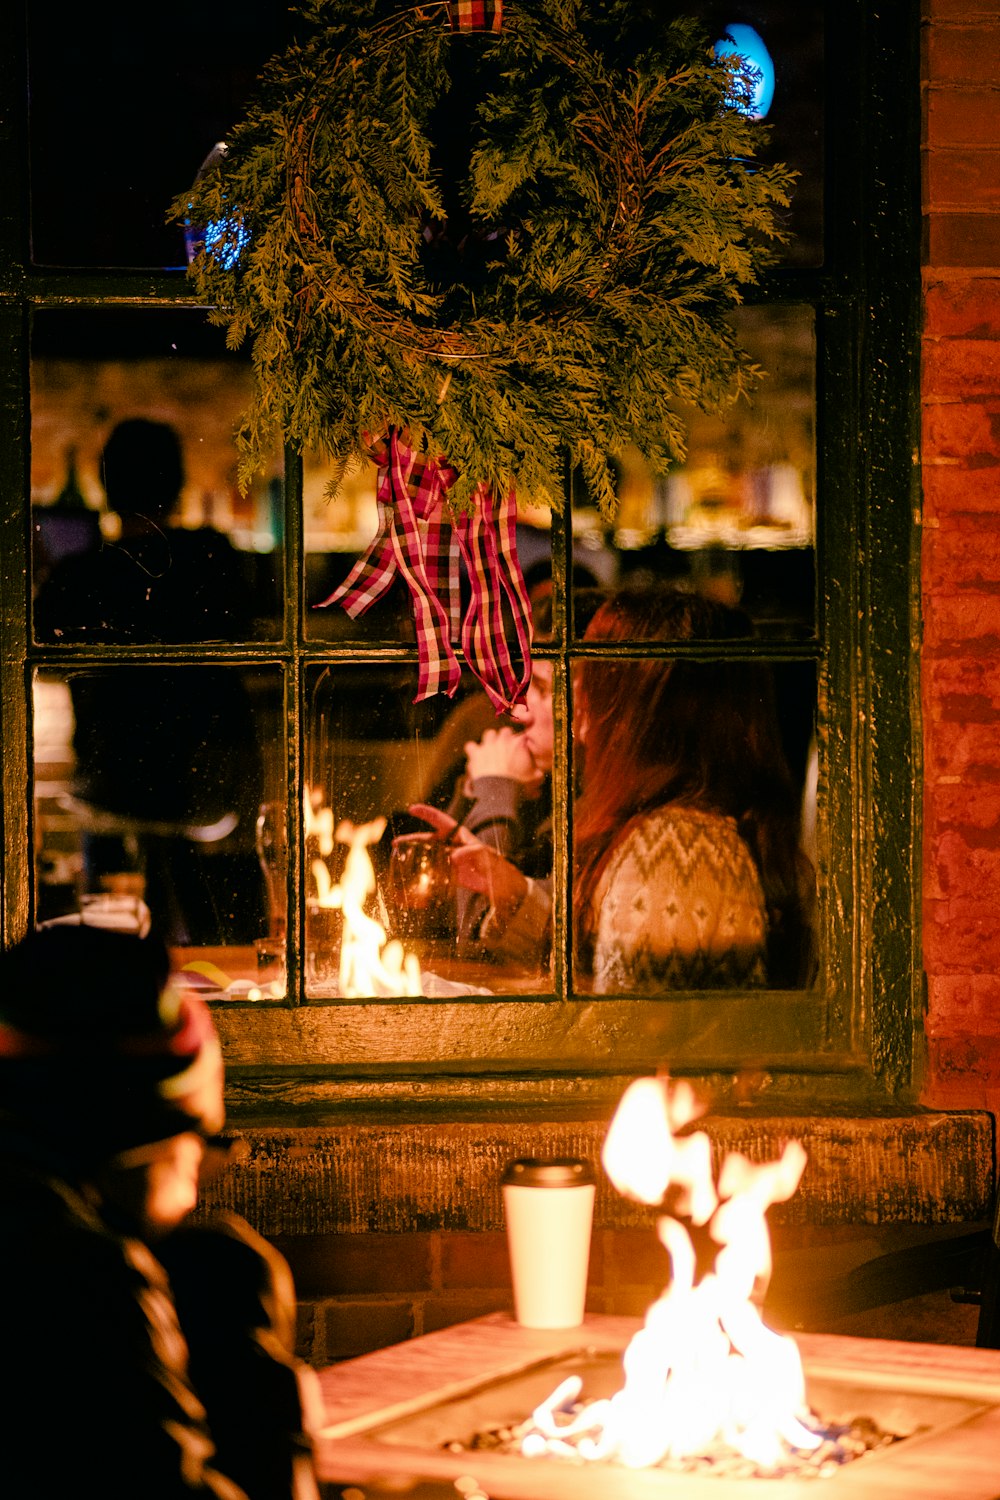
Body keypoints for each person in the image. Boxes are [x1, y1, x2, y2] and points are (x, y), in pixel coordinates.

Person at [0, 923, 322, 1499]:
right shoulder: (80, 1279)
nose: (195, 1193)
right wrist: (264, 1401)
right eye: (199, 1148)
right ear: (135, 1143)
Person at [417, 586, 814, 990]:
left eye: (596, 681)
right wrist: (515, 892)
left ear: (638, 710)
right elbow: (609, 968)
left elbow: (631, 1031)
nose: (579, 711)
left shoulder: (674, 848)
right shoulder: (673, 828)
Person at [33, 419, 266, 945]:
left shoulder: (79, 574)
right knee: (226, 952)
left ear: (106, 488)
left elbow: (40, 659)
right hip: (208, 794)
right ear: (179, 485)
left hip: (112, 789)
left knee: (114, 955)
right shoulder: (215, 557)